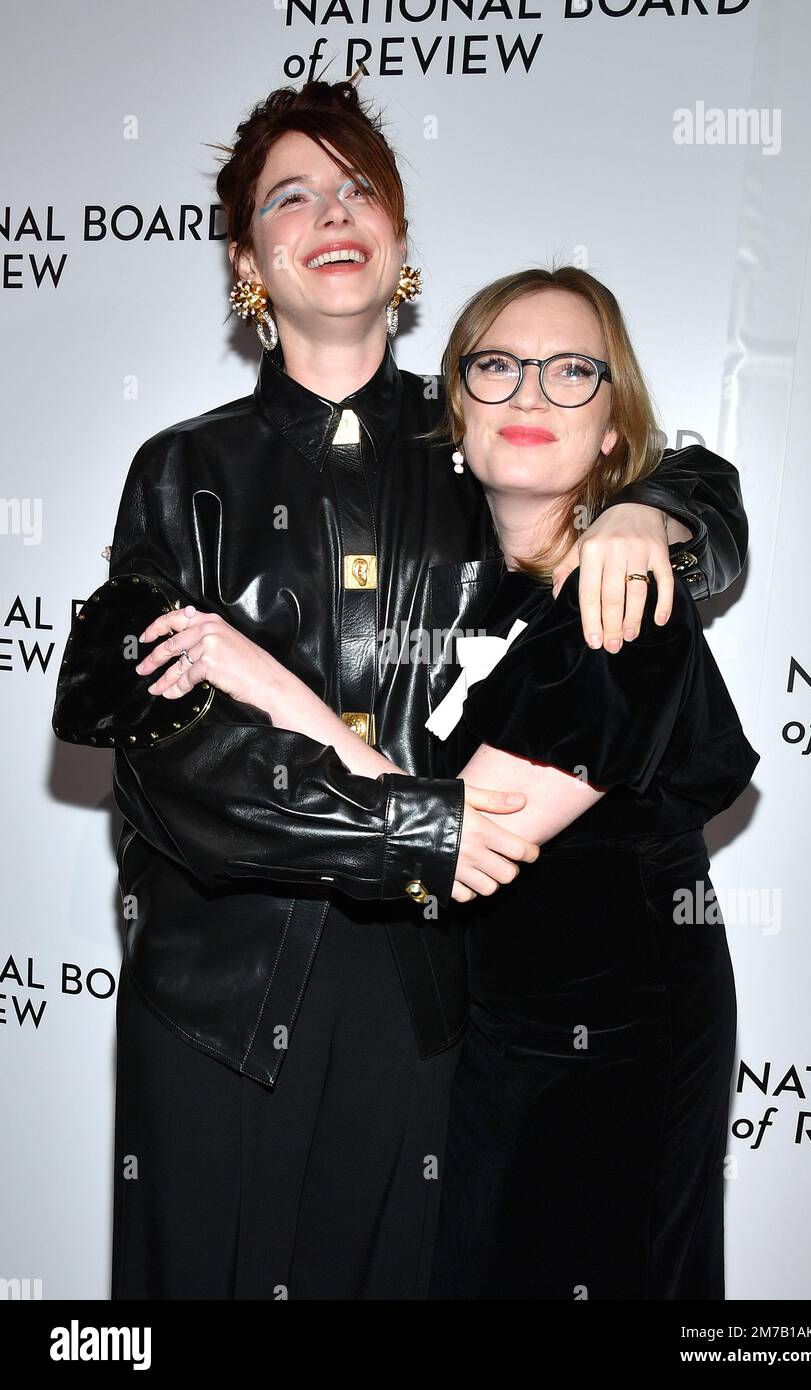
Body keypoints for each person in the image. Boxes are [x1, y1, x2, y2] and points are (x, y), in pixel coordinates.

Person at [52, 80, 748, 1300]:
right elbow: (145, 730)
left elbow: (657, 483)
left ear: (403, 242)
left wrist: (655, 508)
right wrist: (417, 829)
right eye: (291, 194)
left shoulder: (477, 434)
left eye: (360, 185)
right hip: (218, 988)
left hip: (429, 996)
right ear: (247, 258)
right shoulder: (179, 469)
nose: (332, 211)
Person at [419, 267, 760, 1299]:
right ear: (456, 409)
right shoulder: (464, 595)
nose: (528, 394)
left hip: (609, 1055)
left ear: (614, 429)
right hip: (494, 1046)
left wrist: (649, 513)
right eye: (497, 367)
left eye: (572, 372)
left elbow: (472, 832)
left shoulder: (624, 597)